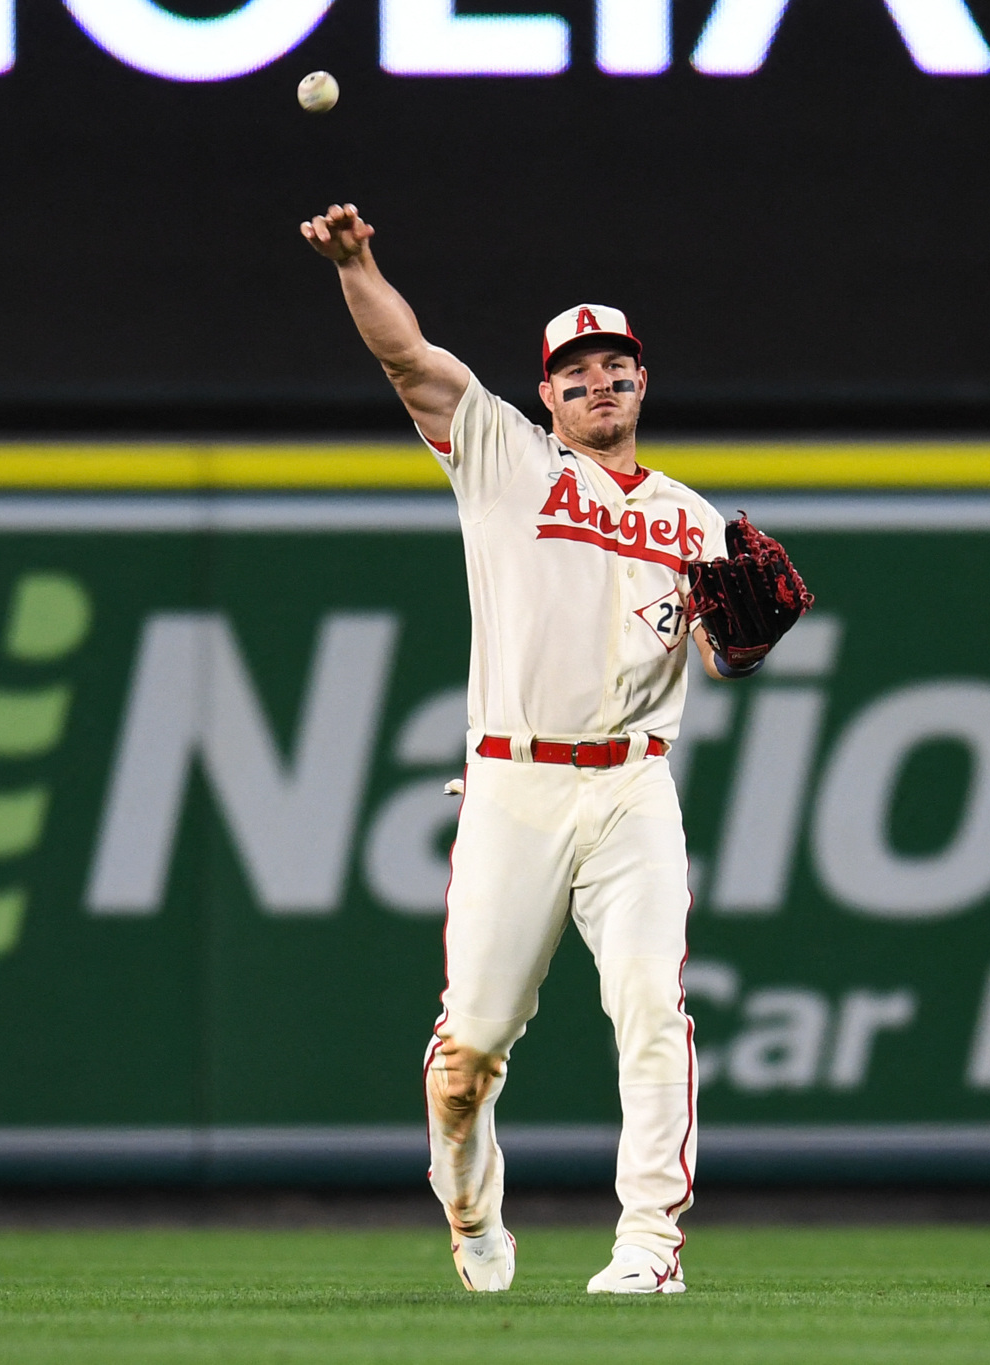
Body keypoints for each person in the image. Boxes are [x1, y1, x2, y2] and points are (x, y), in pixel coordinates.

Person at [302, 202, 758, 1295]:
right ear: (546, 393)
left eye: (615, 367)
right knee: (472, 1051)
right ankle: (469, 1215)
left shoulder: (696, 521)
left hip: (634, 786)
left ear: (641, 383)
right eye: (576, 372)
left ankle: (649, 1246)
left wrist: (742, 643)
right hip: (513, 783)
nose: (598, 384)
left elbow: (720, 663)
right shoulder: (502, 455)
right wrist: (358, 265)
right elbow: (405, 355)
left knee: (652, 1005)